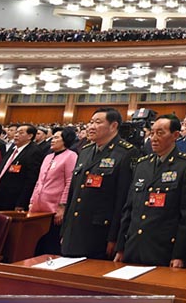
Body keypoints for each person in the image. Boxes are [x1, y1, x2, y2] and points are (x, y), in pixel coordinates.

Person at [115, 115, 186, 267]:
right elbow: (129, 208)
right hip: (134, 246)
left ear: (175, 135)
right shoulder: (142, 164)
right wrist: (121, 246)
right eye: (152, 133)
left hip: (163, 249)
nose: (154, 138)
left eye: (160, 133)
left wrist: (179, 254)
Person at [60, 108, 140, 259]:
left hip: (99, 233)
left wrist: (115, 237)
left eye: (97, 122)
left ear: (113, 126)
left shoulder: (126, 153)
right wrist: (65, 230)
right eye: (90, 122)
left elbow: (123, 200)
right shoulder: (85, 151)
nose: (91, 127)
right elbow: (74, 192)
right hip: (74, 230)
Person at [29, 127, 78, 255]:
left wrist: (62, 206)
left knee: (50, 245)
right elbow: (39, 181)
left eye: (56, 138)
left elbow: (69, 182)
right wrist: (32, 201)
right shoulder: (48, 157)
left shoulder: (70, 156)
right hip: (38, 207)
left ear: (65, 140)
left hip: (54, 209)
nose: (52, 140)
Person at [0, 124, 43, 211]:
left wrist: (21, 203)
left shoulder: (34, 151)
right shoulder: (13, 149)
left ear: (30, 136)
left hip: (13, 200)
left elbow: (31, 180)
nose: (16, 135)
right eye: (16, 132)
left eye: (21, 133)